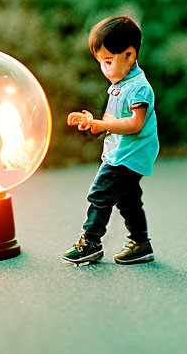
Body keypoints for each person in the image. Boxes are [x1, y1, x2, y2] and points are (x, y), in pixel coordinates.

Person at [62, 16, 159, 265]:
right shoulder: (119, 84)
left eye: (108, 61)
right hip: (121, 152)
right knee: (128, 200)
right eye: (101, 62)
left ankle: (90, 243)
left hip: (129, 155)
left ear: (129, 54)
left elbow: (135, 124)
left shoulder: (138, 88)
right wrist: (92, 124)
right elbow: (111, 119)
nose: (104, 68)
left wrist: (103, 124)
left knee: (100, 195)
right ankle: (141, 244)